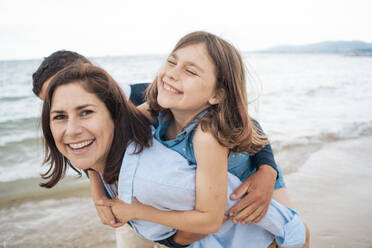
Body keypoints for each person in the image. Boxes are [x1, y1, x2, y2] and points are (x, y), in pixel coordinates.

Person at [39, 34, 307, 247]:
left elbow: (245, 125)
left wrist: (267, 170)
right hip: (172, 200)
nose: (64, 104)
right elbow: (93, 160)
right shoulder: (159, 103)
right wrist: (100, 196)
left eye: (81, 106)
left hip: (243, 178)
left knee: (280, 229)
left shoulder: (156, 96)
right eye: (53, 105)